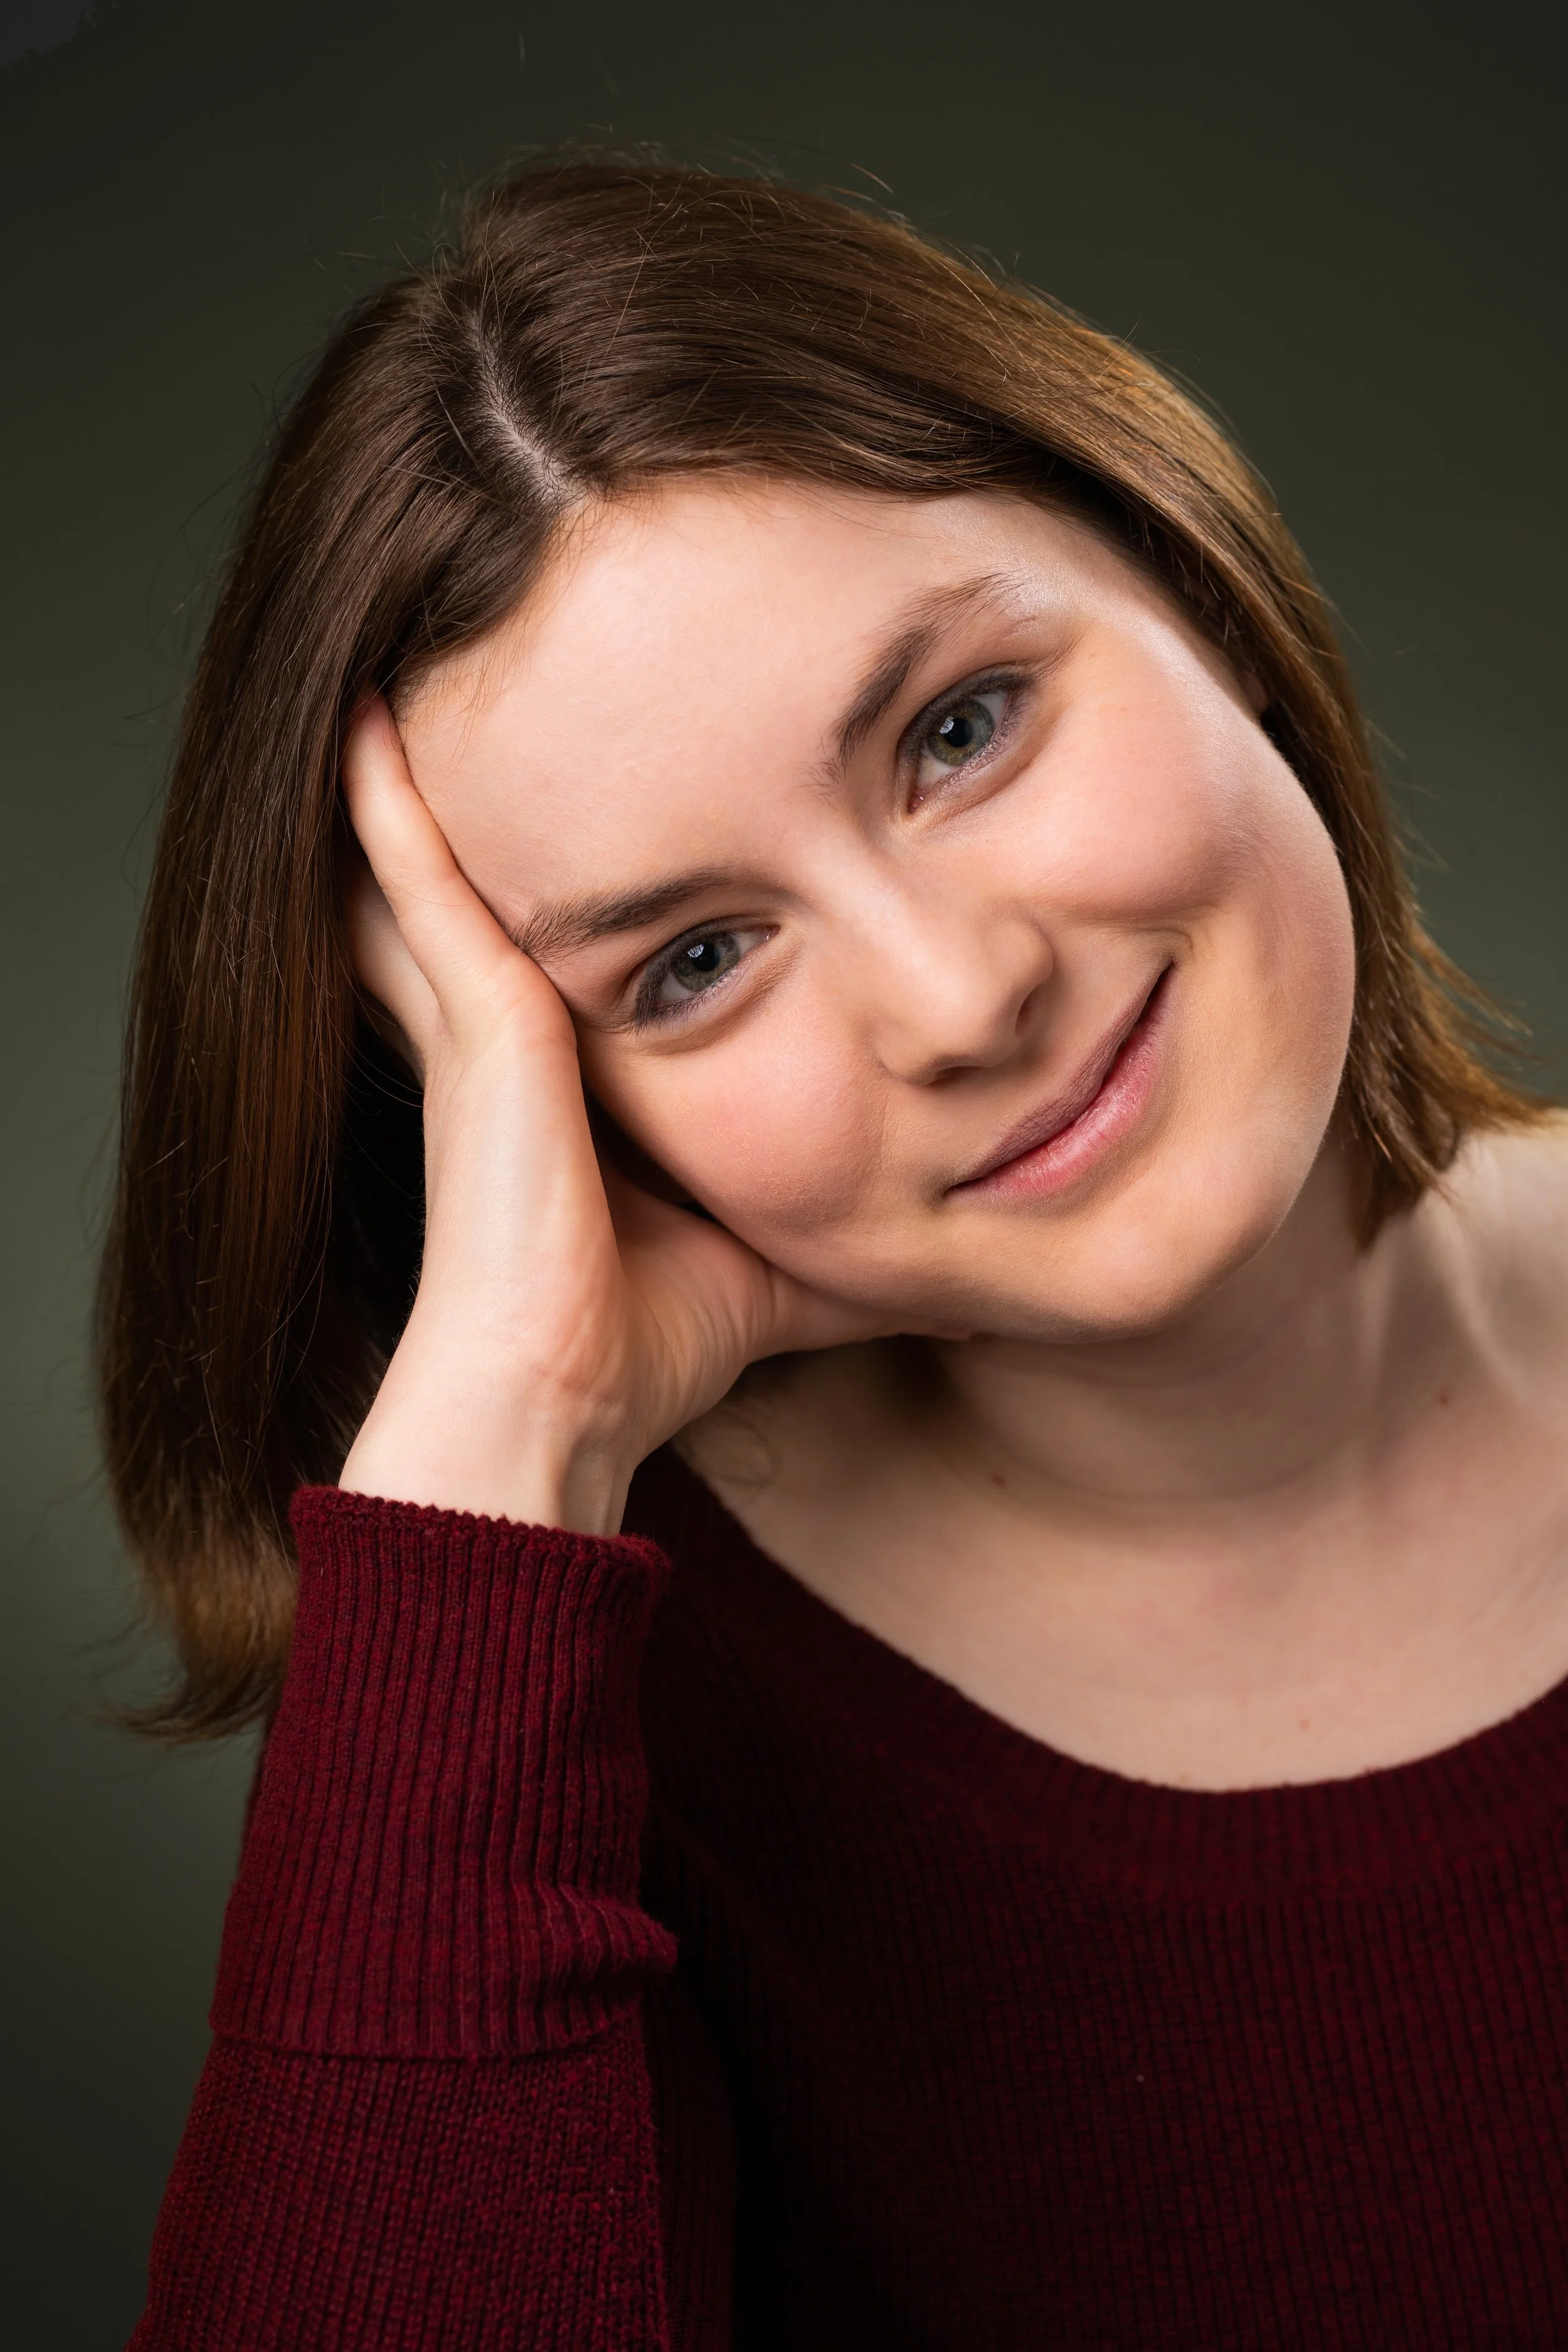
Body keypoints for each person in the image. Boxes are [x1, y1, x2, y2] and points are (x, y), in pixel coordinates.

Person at [103, 156, 1568, 2349]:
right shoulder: (584, 1751)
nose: (954, 1000)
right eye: (692, 961)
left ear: (1203, 579)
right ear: (569, 1108)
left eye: (958, 727)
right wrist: (503, 1420)